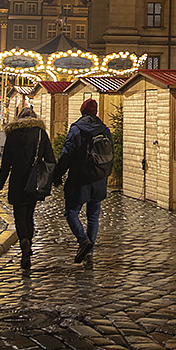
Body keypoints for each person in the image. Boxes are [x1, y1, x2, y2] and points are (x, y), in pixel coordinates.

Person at [0, 106, 54, 271]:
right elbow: (50, 159)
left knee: (19, 215)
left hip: (17, 179)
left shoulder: (13, 135)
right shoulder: (41, 134)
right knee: (29, 214)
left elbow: (6, 164)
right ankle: (29, 242)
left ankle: (23, 240)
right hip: (34, 180)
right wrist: (51, 179)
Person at [52, 98, 112, 266]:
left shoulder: (77, 129)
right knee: (93, 216)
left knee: (71, 212)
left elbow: (67, 153)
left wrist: (58, 174)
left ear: (82, 111)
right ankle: (90, 252)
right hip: (99, 177)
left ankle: (83, 240)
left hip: (80, 177)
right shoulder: (104, 129)